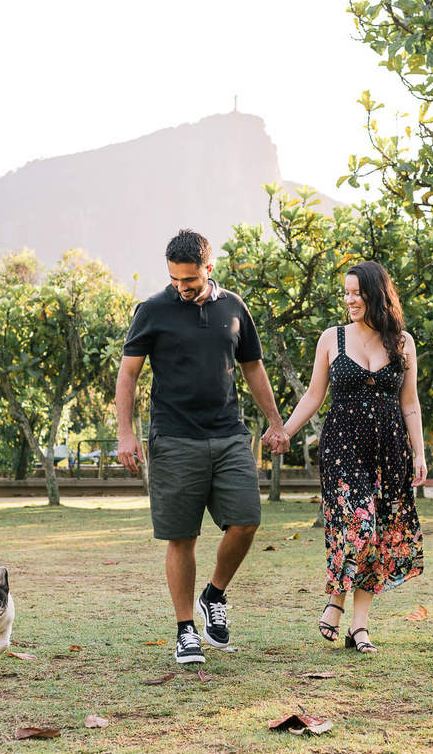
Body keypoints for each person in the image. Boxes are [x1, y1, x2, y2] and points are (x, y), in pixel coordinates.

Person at [115, 229, 288, 665]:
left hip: (229, 433)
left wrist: (274, 421)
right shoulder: (152, 310)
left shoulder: (234, 307)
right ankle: (185, 629)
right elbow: (128, 374)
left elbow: (253, 367)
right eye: (174, 279)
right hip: (174, 437)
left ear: (209, 269)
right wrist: (125, 432)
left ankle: (214, 594)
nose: (181, 287)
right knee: (182, 537)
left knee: (246, 520)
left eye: (189, 280)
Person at [281, 261, 425, 653]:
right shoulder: (332, 338)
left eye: (356, 293)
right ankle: (335, 601)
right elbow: (314, 395)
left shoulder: (403, 343)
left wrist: (419, 453)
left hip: (390, 450)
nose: (349, 300)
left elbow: (409, 403)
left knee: (376, 537)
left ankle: (358, 627)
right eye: (345, 293)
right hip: (343, 446)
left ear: (375, 295)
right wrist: (285, 432)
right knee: (359, 526)